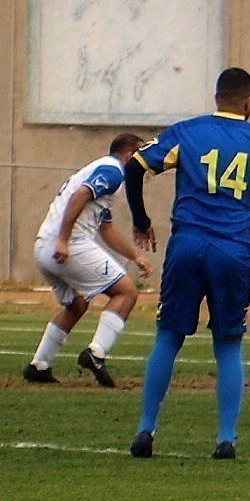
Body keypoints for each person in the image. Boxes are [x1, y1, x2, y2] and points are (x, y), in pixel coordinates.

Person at [123, 67, 250, 460]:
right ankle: (225, 439)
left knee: (168, 338)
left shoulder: (186, 131)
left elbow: (135, 165)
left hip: (187, 243)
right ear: (249, 101)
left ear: (216, 96)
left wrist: (140, 219)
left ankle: (145, 431)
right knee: (228, 344)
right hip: (232, 250)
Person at [23, 131, 152, 386]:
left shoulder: (102, 172)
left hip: (44, 246)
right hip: (66, 244)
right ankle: (96, 352)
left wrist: (135, 256)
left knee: (77, 305)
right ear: (129, 154)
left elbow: (106, 229)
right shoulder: (114, 170)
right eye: (139, 157)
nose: (143, 165)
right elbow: (80, 195)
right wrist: (63, 239)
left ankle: (39, 365)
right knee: (126, 293)